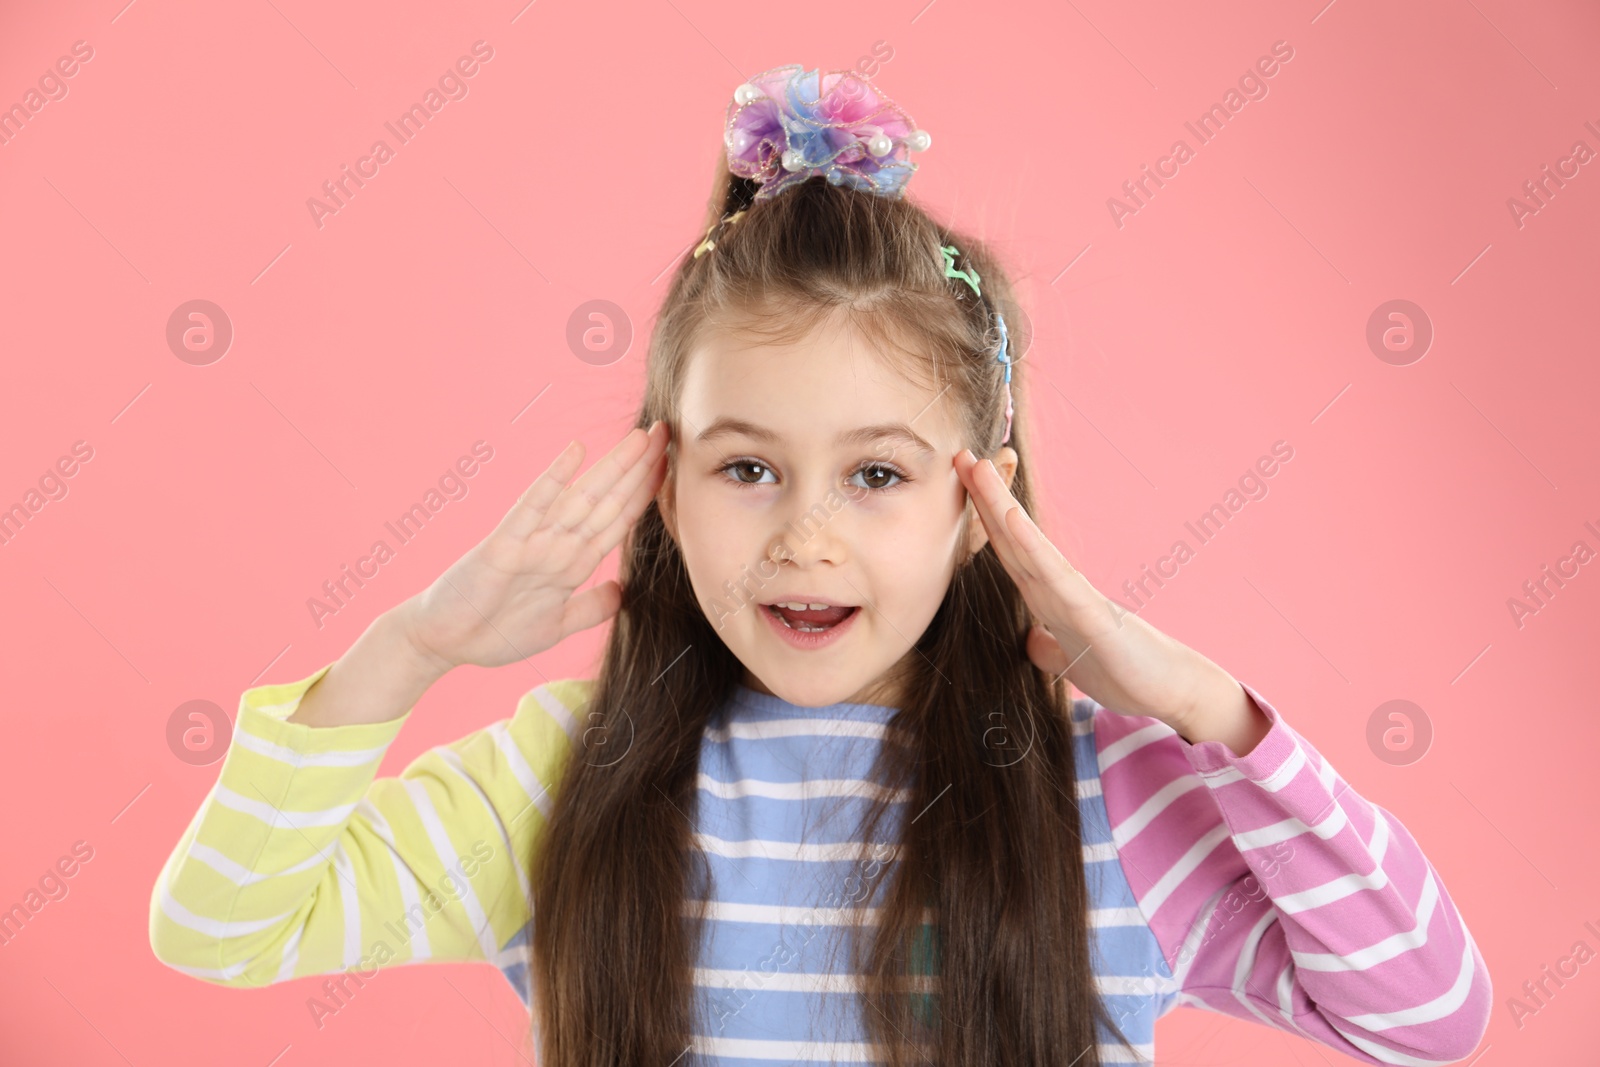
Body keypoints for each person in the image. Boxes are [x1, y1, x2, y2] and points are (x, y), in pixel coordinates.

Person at [148, 63, 1492, 1066]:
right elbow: (223, 930)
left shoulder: (1110, 799)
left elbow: (1428, 1014)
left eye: (878, 474)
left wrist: (1211, 713)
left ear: (979, 506)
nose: (806, 535)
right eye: (746, 469)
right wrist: (412, 651)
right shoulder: (565, 775)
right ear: (663, 487)